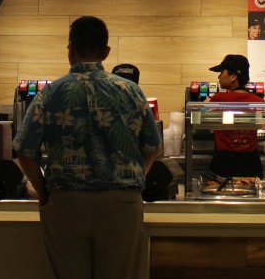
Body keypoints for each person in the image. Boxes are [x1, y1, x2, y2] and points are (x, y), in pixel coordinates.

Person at [14, 16, 161, 279]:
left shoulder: (50, 93)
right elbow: (153, 147)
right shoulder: (131, 91)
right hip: (122, 204)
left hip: (66, 204)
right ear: (106, 52)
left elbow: (24, 150)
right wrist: (137, 178)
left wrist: (44, 193)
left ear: (70, 49)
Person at [206, 54, 264, 177]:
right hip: (251, 163)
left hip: (224, 163)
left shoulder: (218, 99)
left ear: (233, 76)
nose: (219, 76)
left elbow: (207, 126)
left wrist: (205, 106)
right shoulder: (258, 101)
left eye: (222, 72)